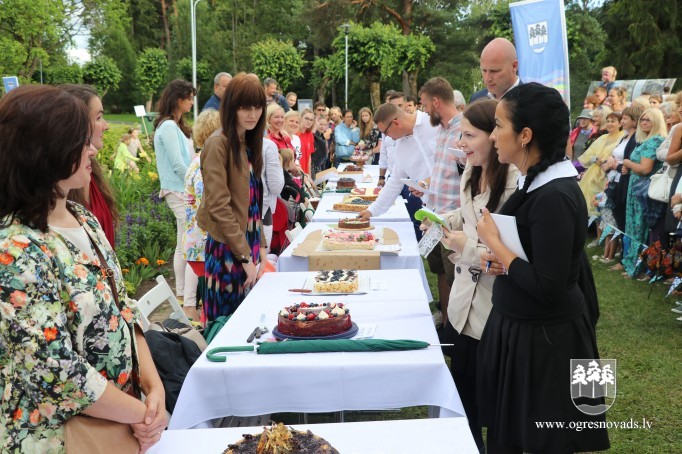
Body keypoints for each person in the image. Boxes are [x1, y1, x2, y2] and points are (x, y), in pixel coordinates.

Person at [0, 85, 167, 453]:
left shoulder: (83, 219)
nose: (93, 148)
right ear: (47, 151)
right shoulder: (15, 249)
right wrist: (141, 413)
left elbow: (125, 308)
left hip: (118, 426)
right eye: (80, 141)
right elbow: (57, 372)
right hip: (61, 440)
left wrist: (154, 390)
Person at [475, 83, 610, 453]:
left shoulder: (556, 195)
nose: (492, 135)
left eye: (499, 125)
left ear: (525, 135)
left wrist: (498, 247)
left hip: (548, 344)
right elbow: (538, 257)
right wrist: (503, 259)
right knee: (514, 438)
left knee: (545, 443)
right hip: (525, 332)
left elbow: (548, 286)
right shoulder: (535, 181)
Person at [430, 99, 518, 452]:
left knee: (495, 410)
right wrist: (449, 220)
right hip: (461, 309)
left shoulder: (514, 185)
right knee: (463, 399)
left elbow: (506, 261)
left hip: (492, 315)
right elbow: (468, 214)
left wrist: (466, 247)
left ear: (494, 137)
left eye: (469, 135)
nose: (461, 143)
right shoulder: (470, 170)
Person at [196, 73, 268, 321]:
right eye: (245, 107)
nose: (253, 114)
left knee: (252, 320)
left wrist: (262, 247)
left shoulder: (247, 142)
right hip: (228, 249)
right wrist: (246, 256)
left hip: (248, 245)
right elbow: (219, 206)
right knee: (227, 325)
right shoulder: (218, 144)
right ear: (231, 107)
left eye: (258, 107)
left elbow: (253, 203)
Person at [417, 76, 464, 330]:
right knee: (441, 274)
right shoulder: (444, 129)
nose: (424, 110)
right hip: (435, 217)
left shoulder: (464, 129)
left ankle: (456, 329)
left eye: (424, 104)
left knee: (455, 277)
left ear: (436, 102)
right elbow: (442, 173)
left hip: (454, 221)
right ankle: (446, 323)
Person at [62, 84, 119, 249]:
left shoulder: (91, 171)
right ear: (77, 123)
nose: (106, 126)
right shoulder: (62, 186)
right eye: (99, 117)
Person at [154, 79, 196, 302]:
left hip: (183, 189)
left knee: (183, 241)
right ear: (178, 99)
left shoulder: (176, 126)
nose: (191, 102)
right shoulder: (169, 126)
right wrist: (197, 183)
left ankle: (182, 294)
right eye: (189, 98)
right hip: (179, 190)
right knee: (188, 242)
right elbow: (178, 164)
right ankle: (184, 296)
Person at [359, 103, 438, 220]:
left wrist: (428, 182)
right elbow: (394, 182)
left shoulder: (434, 123)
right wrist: (372, 210)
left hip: (457, 203)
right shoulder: (400, 148)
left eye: (386, 132)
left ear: (396, 123)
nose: (387, 137)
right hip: (431, 208)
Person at [182, 109, 222, 321]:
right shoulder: (205, 161)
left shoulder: (198, 158)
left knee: (209, 298)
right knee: (210, 301)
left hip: (197, 241)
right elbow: (206, 200)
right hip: (203, 242)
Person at [621, 108, 668, 277]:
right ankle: (630, 263)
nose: (644, 122)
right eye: (642, 119)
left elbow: (645, 168)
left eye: (648, 120)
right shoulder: (644, 139)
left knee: (640, 227)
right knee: (632, 226)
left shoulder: (656, 140)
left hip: (644, 190)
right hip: (635, 188)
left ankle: (638, 268)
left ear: (657, 122)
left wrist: (627, 162)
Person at [578, 112, 625, 217]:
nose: (609, 124)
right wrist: (596, 159)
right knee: (589, 198)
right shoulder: (602, 138)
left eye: (613, 121)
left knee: (603, 203)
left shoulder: (623, 137)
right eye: (607, 121)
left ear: (620, 124)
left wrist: (605, 161)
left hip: (609, 174)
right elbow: (588, 155)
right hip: (593, 173)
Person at [470, 37, 520, 103]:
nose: (487, 78)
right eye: (484, 70)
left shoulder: (532, 100)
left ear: (514, 66)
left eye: (494, 71)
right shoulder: (476, 99)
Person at [262, 137, 285, 252]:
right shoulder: (267, 145)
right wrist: (280, 166)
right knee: (259, 263)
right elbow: (276, 187)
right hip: (261, 212)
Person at [298, 108, 315, 174]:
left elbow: (309, 157)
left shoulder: (310, 135)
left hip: (305, 172)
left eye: (311, 120)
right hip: (297, 171)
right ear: (301, 118)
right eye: (306, 118)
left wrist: (309, 175)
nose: (309, 121)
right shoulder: (295, 134)